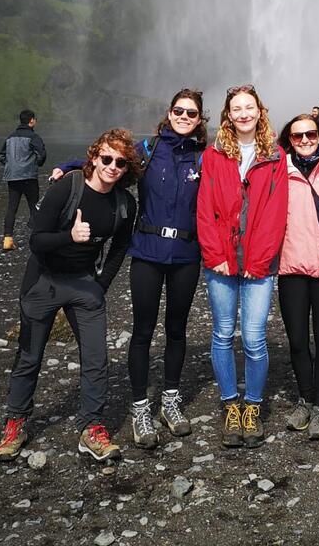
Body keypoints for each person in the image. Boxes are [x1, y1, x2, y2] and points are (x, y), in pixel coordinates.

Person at [50, 90, 207, 449]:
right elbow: (107, 161)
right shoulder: (147, 151)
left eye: (192, 113)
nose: (184, 116)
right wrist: (72, 165)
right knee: (142, 331)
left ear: (200, 120)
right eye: (179, 110)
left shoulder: (204, 156)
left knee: (177, 329)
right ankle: (140, 407)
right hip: (148, 253)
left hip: (186, 253)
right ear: (169, 113)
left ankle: (169, 400)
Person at [0, 129, 139, 463]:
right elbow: (36, 240)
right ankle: (16, 423)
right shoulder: (68, 188)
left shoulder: (124, 204)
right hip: (43, 280)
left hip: (84, 284)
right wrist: (70, 237)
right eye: (106, 158)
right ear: (94, 156)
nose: (112, 166)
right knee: (30, 355)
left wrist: (100, 286)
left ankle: (91, 428)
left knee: (96, 357)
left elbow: (119, 248)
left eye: (120, 162)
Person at [196, 85, 289, 448]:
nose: (244, 114)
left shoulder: (275, 156)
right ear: (228, 115)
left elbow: (275, 213)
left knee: (253, 338)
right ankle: (229, 404)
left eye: (249, 107)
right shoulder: (214, 156)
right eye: (237, 109)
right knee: (221, 334)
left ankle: (252, 405)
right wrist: (214, 255)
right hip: (220, 261)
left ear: (259, 112)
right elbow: (204, 210)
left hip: (258, 266)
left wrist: (259, 260)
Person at [277, 113, 319, 440]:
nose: (305, 140)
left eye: (311, 134)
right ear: (288, 140)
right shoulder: (279, 172)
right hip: (290, 265)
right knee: (297, 339)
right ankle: (304, 397)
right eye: (298, 136)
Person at [0, 108, 47, 251]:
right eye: (35, 119)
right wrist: (36, 163)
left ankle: (7, 239)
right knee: (34, 206)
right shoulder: (34, 137)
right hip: (29, 176)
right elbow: (42, 154)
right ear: (31, 120)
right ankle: (37, 238)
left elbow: (1, 155)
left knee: (12, 208)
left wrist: (11, 165)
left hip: (12, 177)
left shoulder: (10, 137)